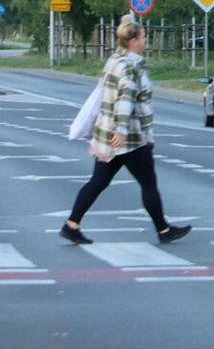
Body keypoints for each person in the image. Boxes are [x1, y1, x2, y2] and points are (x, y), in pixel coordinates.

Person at [61, 17, 190, 247]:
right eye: (142, 37)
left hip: (108, 136)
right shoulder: (129, 67)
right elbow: (125, 100)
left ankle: (72, 225)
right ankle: (163, 229)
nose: (145, 40)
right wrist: (121, 130)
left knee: (98, 181)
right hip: (129, 137)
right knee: (148, 183)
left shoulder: (115, 60)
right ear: (132, 41)